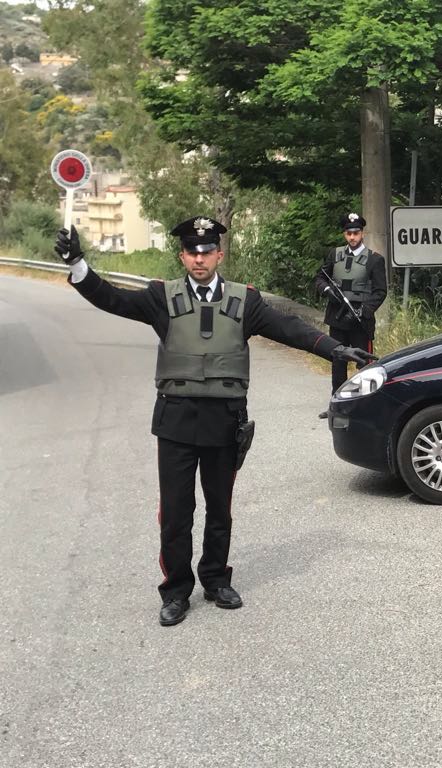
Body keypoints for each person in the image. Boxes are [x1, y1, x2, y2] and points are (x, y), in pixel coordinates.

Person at [54, 217, 375, 627]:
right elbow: (112, 299)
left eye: (207, 251)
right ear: (182, 255)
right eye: (192, 252)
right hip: (175, 421)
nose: (199, 258)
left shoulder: (245, 301)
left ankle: (215, 579)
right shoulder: (160, 298)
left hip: (224, 420)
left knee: (219, 508)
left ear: (219, 254)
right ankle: (175, 591)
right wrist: (79, 265)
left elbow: (290, 328)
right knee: (175, 513)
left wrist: (335, 348)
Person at [315, 212, 387, 398]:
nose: (352, 237)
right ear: (344, 234)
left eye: (356, 233)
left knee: (365, 364)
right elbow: (320, 278)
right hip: (337, 317)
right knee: (338, 361)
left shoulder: (374, 259)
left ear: (362, 233)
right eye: (349, 233)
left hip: (360, 320)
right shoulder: (334, 254)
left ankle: (366, 402)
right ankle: (337, 401)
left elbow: (380, 291)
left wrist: (364, 310)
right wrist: (326, 291)